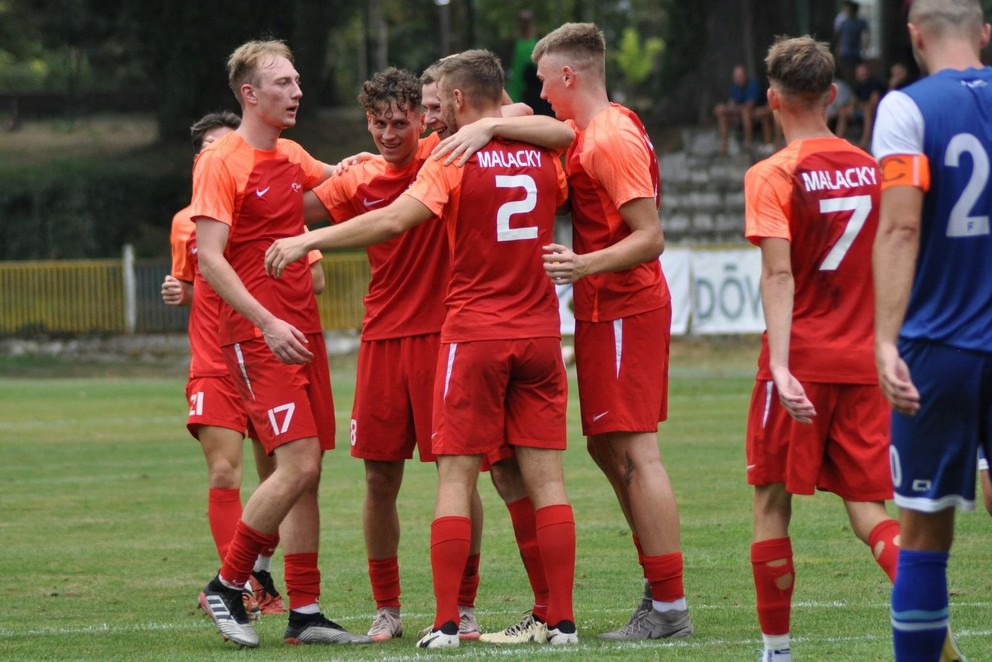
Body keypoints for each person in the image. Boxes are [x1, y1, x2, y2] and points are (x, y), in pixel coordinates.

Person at [265, 48, 579, 650]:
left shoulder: (449, 154)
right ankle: (540, 617)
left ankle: (454, 613)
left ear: (436, 113)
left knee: (460, 477)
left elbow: (391, 222)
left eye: (416, 112)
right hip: (465, 333)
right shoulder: (534, 154)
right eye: (377, 122)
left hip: (459, 335)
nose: (393, 130)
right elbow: (557, 131)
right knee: (390, 480)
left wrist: (307, 241)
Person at [190, 39, 371, 648]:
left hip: (304, 333)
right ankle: (228, 584)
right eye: (284, 83)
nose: (297, 91)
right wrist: (266, 322)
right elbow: (210, 260)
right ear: (250, 94)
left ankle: (306, 612)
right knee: (298, 465)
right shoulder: (221, 162)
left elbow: (342, 184)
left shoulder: (291, 154)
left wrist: (391, 156)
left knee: (309, 474)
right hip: (260, 336)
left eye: (296, 81)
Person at [531, 22, 692, 642]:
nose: (543, 94)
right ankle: (660, 589)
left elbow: (650, 237)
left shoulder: (608, 138)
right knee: (605, 447)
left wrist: (583, 265)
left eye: (546, 81)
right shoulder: (592, 131)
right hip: (606, 308)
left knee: (633, 449)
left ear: (569, 76)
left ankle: (669, 607)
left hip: (626, 305)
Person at [742, 36, 901, 662]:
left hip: (800, 362)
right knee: (869, 505)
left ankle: (776, 653)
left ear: (772, 98)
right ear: (833, 95)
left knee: (771, 503)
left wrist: (780, 366)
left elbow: (779, 275)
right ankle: (920, 597)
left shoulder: (772, 174)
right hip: (862, 362)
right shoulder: (874, 169)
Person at [871, 0, 992, 659]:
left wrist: (886, 340)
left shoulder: (905, 108)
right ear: (987, 35)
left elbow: (900, 226)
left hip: (939, 347)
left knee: (922, 534)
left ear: (915, 36)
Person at [162, 110, 305, 620]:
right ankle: (236, 587)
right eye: (206, 149)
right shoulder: (188, 221)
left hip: (265, 353)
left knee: (283, 474)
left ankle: (258, 571)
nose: (217, 155)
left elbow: (318, 276)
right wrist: (183, 291)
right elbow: (197, 283)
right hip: (214, 359)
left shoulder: (276, 204)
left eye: (224, 145)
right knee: (225, 472)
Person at [713, 64, 773, 153]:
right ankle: (723, 147)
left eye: (741, 76)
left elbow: (749, 106)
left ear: (745, 75)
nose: (739, 79)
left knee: (746, 113)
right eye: (737, 77)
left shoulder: (753, 85)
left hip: (757, 115)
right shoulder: (734, 88)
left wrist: (733, 110)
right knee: (723, 116)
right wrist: (724, 109)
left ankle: (747, 144)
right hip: (740, 116)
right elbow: (731, 105)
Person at [835, 62, 886, 148]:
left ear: (867, 72)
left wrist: (860, 105)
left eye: (863, 72)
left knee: (867, 109)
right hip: (861, 108)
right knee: (843, 111)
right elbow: (854, 99)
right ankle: (837, 139)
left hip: (875, 110)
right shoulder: (858, 84)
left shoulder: (874, 83)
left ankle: (864, 141)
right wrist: (851, 106)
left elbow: (874, 101)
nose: (861, 74)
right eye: (859, 73)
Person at [834, 1, 871, 84]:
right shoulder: (844, 22)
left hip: (856, 51)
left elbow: (868, 33)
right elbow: (838, 37)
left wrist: (866, 46)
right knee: (848, 72)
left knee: (857, 72)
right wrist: (838, 50)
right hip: (846, 52)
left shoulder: (860, 22)